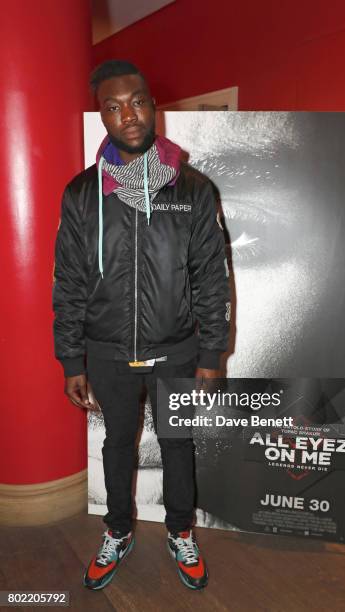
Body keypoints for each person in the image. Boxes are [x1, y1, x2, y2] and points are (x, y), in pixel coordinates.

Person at [52, 59, 230, 591]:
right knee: (117, 444)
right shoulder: (83, 195)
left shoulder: (193, 190)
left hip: (176, 347)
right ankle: (119, 530)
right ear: (102, 117)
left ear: (154, 106)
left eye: (138, 101)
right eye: (113, 106)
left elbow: (212, 278)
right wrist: (70, 359)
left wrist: (211, 354)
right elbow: (68, 284)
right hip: (105, 350)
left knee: (178, 444)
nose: (128, 114)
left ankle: (180, 531)